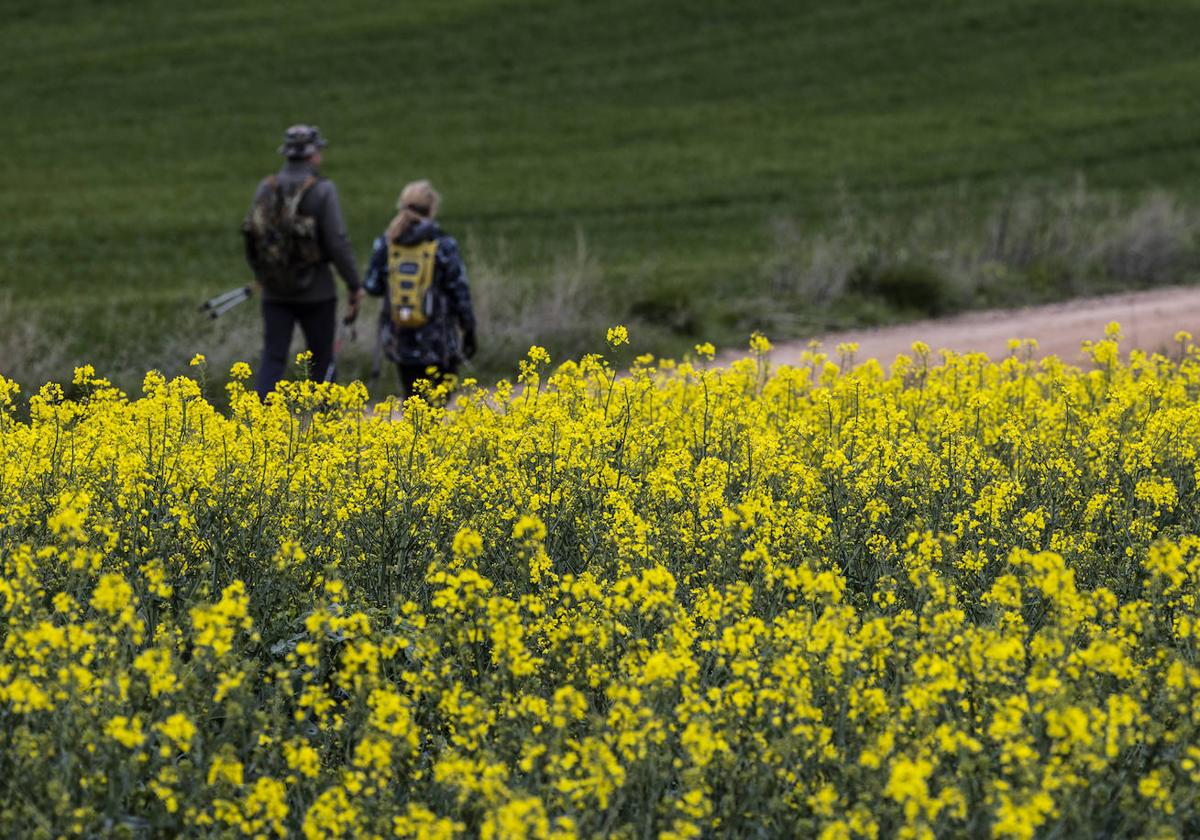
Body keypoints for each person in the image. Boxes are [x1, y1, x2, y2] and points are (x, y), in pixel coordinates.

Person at [244, 124, 364, 400]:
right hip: (317, 291)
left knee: (273, 356)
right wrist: (354, 284)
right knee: (321, 359)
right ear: (314, 155)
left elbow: (252, 233)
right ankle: (325, 424)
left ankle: (259, 420)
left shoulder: (267, 187)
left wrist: (263, 273)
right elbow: (337, 242)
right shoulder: (322, 190)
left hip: (274, 290)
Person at [364, 180, 477, 398]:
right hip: (439, 341)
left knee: (414, 402)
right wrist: (469, 328)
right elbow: (459, 290)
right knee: (439, 403)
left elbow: (372, 285)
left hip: (401, 339)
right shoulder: (443, 243)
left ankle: (417, 433)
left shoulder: (387, 242)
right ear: (432, 208)